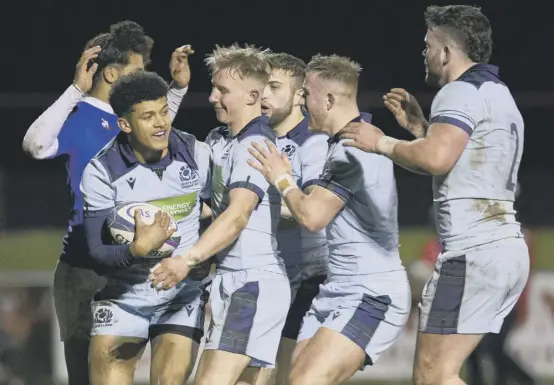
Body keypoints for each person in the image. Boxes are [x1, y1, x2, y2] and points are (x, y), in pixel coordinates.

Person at [340, 5, 529, 385]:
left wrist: (382, 142)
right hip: (503, 247)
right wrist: (420, 128)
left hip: (472, 250)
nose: (423, 53)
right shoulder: (498, 94)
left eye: (428, 45)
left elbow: (437, 159)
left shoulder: (458, 90)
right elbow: (453, 158)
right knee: (441, 373)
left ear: (446, 53)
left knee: (433, 375)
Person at [21, 20, 193, 385]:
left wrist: (177, 90)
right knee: (87, 376)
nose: (147, 78)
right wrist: (73, 89)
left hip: (134, 266)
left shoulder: (126, 121)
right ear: (111, 74)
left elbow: (157, 132)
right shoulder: (80, 117)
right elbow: (35, 145)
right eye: (139, 70)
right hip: (86, 271)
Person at [247, 54, 411, 385]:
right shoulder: (350, 141)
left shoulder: (353, 149)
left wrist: (281, 177)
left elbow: (311, 217)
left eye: (307, 94)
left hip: (371, 291)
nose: (304, 103)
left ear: (329, 99)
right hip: (336, 290)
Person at [148, 45, 291, 385]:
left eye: (223, 90)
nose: (212, 97)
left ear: (253, 95)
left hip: (252, 282)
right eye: (213, 88)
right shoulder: (222, 140)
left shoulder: (255, 145)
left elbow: (239, 214)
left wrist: (186, 260)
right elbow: (211, 205)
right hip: (232, 281)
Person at [80, 71, 211, 385]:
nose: (161, 123)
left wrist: (201, 258)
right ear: (125, 124)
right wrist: (137, 249)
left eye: (164, 111)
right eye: (149, 116)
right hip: (124, 299)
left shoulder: (198, 154)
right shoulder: (100, 171)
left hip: (181, 296)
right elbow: (96, 252)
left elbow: (220, 215)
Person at [239, 52, 329, 385]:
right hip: (265, 277)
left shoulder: (315, 142)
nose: (263, 94)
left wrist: (247, 210)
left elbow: (311, 209)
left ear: (300, 96)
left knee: (288, 376)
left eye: (274, 86)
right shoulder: (256, 140)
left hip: (309, 277)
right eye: (261, 86)